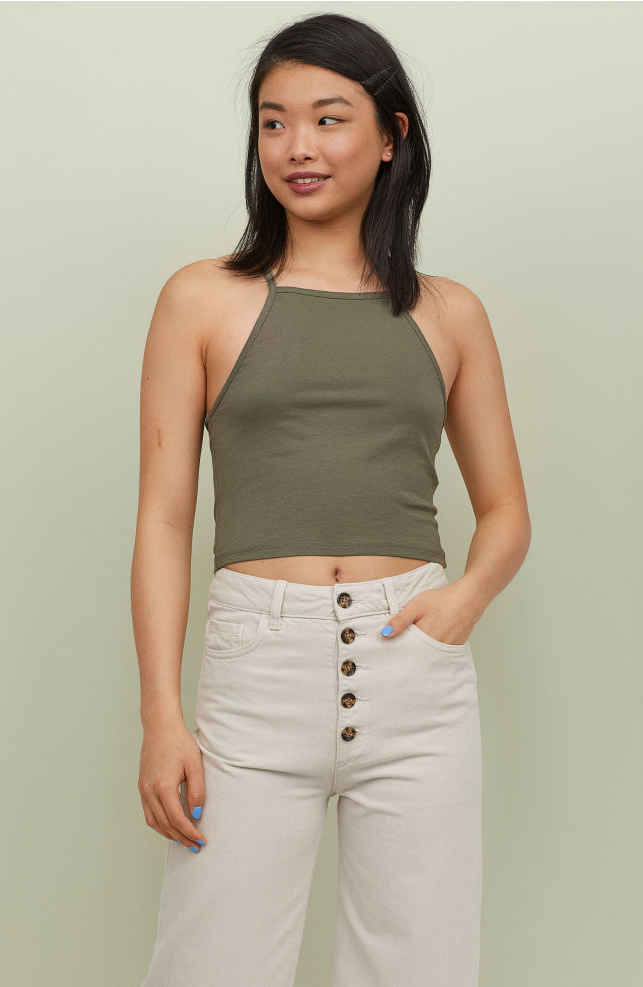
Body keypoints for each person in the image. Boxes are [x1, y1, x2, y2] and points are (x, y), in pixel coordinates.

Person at [132, 12, 531, 987]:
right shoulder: (201, 298)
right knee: (212, 964)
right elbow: (164, 520)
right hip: (255, 665)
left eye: (327, 118)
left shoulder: (450, 313)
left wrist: (460, 602)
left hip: (416, 671)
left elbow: (506, 512)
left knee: (420, 966)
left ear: (391, 136)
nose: (296, 147)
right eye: (273, 122)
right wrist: (161, 716)